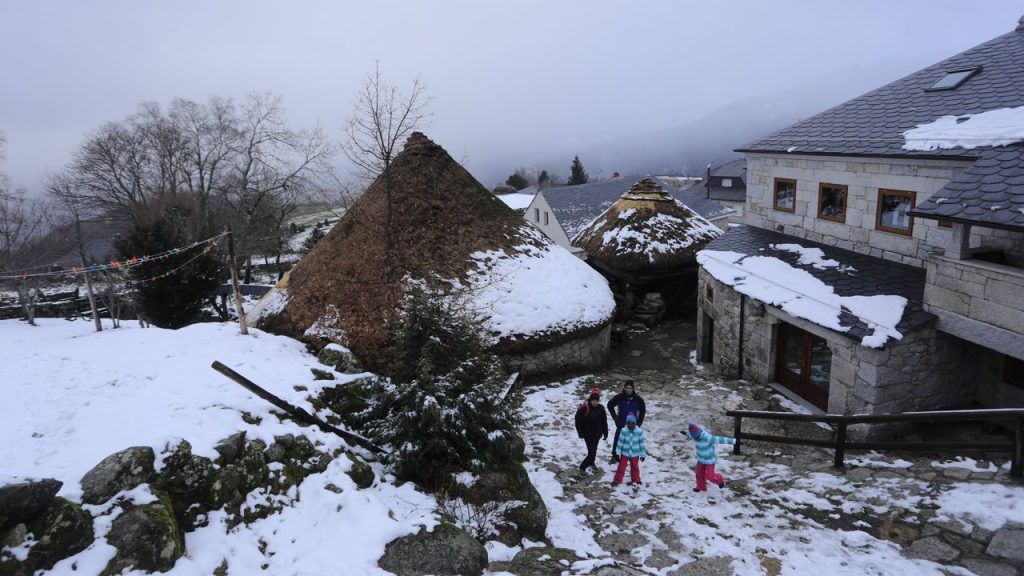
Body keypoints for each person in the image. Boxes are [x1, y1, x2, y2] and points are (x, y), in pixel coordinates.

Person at [684, 423, 735, 493]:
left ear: (698, 433)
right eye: (693, 437)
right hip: (700, 459)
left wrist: (735, 441)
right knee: (699, 475)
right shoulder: (693, 435)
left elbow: (721, 439)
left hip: (709, 461)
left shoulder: (708, 438)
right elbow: (689, 435)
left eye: (695, 437)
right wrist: (683, 432)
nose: (695, 438)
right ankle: (701, 487)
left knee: (710, 477)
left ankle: (720, 480)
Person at [607, 380, 646, 463]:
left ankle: (629, 456)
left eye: (630, 388)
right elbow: (609, 405)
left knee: (631, 441)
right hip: (621, 423)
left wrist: (639, 423)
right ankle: (615, 456)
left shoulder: (638, 399)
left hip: (632, 425)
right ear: (624, 388)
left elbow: (643, 410)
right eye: (627, 387)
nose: (628, 389)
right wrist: (615, 417)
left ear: (633, 389)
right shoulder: (619, 397)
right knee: (618, 439)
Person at [574, 390, 608, 474]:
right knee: (592, 454)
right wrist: (580, 433)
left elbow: (604, 421)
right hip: (588, 435)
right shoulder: (585, 408)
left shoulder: (601, 408)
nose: (595, 402)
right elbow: (578, 421)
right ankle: (582, 467)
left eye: (597, 400)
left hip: (597, 434)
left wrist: (605, 432)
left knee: (593, 451)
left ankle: (591, 462)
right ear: (590, 400)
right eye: (593, 400)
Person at [612, 413, 646, 486]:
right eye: (628, 423)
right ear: (626, 423)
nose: (630, 425)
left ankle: (636, 479)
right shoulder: (623, 431)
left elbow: (641, 443)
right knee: (621, 467)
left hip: (635, 454)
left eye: (632, 423)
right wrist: (617, 452)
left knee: (635, 467)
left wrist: (643, 454)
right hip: (625, 453)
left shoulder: (639, 431)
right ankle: (617, 480)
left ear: (635, 423)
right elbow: (620, 442)